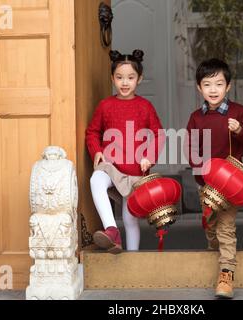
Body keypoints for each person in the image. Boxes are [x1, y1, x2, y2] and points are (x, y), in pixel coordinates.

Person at [185, 58, 243, 298]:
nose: (213, 89)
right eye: (207, 85)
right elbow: (191, 148)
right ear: (199, 88)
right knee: (210, 226)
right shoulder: (196, 118)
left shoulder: (239, 112)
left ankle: (226, 275)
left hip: (231, 184)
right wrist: (201, 170)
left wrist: (239, 130)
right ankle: (215, 250)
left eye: (219, 84)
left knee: (226, 228)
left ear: (228, 86)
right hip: (207, 184)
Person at [85, 49, 164, 254]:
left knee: (130, 219)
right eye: (119, 78)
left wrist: (149, 156)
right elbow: (92, 131)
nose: (125, 83)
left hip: (135, 170)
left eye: (131, 77)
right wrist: (97, 151)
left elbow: (158, 135)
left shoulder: (145, 107)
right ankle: (112, 230)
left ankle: (133, 259)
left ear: (140, 78)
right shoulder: (105, 105)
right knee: (96, 180)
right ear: (112, 78)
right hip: (111, 166)